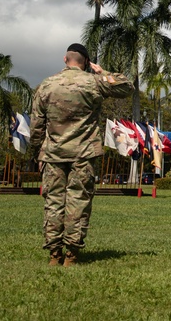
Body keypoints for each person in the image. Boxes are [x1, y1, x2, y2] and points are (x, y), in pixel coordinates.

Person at [29, 43, 132, 266]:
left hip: (53, 153)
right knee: (78, 200)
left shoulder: (47, 85)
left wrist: (37, 152)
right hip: (83, 153)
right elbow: (126, 86)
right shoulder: (93, 82)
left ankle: (54, 253)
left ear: (65, 59)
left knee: (54, 201)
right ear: (86, 62)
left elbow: (36, 124)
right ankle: (72, 253)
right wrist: (101, 71)